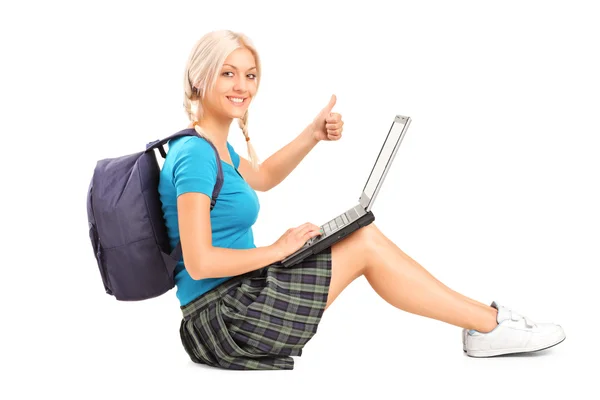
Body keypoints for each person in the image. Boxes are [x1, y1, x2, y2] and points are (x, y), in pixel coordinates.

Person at [158, 30, 566, 370]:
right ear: (199, 79)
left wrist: (312, 134)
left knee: (357, 234)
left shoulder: (213, 147)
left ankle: (485, 324)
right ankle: (490, 326)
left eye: (250, 75)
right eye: (228, 73)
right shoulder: (195, 155)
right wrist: (277, 250)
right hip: (224, 320)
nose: (242, 86)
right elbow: (201, 262)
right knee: (364, 243)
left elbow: (262, 177)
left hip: (235, 300)